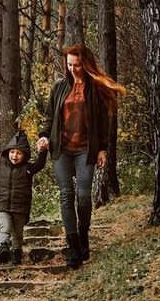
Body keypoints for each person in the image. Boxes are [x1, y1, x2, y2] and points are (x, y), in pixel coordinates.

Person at [37, 43, 126, 267]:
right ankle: (73, 245)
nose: (73, 69)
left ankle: (83, 233)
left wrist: (103, 149)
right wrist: (44, 136)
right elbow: (49, 116)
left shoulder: (95, 88)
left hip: (86, 149)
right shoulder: (59, 87)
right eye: (69, 65)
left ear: (85, 64)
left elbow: (103, 121)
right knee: (66, 195)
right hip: (61, 149)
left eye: (77, 65)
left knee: (84, 196)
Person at [0, 129, 48, 264]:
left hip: (20, 207)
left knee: (18, 233)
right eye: (12, 152)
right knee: (4, 227)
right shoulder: (2, 168)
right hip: (3, 205)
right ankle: (3, 248)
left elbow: (40, 165)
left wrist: (43, 151)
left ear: (24, 155)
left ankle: (17, 253)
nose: (15, 156)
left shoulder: (28, 168)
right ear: (7, 152)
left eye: (18, 153)